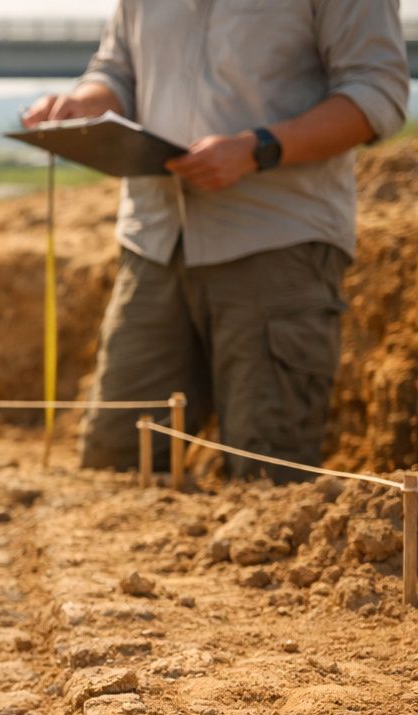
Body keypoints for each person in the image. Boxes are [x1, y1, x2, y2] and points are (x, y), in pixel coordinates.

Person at [23, 1, 410, 481]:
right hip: (155, 244)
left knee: (267, 474)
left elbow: (378, 93)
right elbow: (116, 71)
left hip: (277, 243)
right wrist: (86, 103)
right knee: (116, 462)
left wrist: (258, 147)